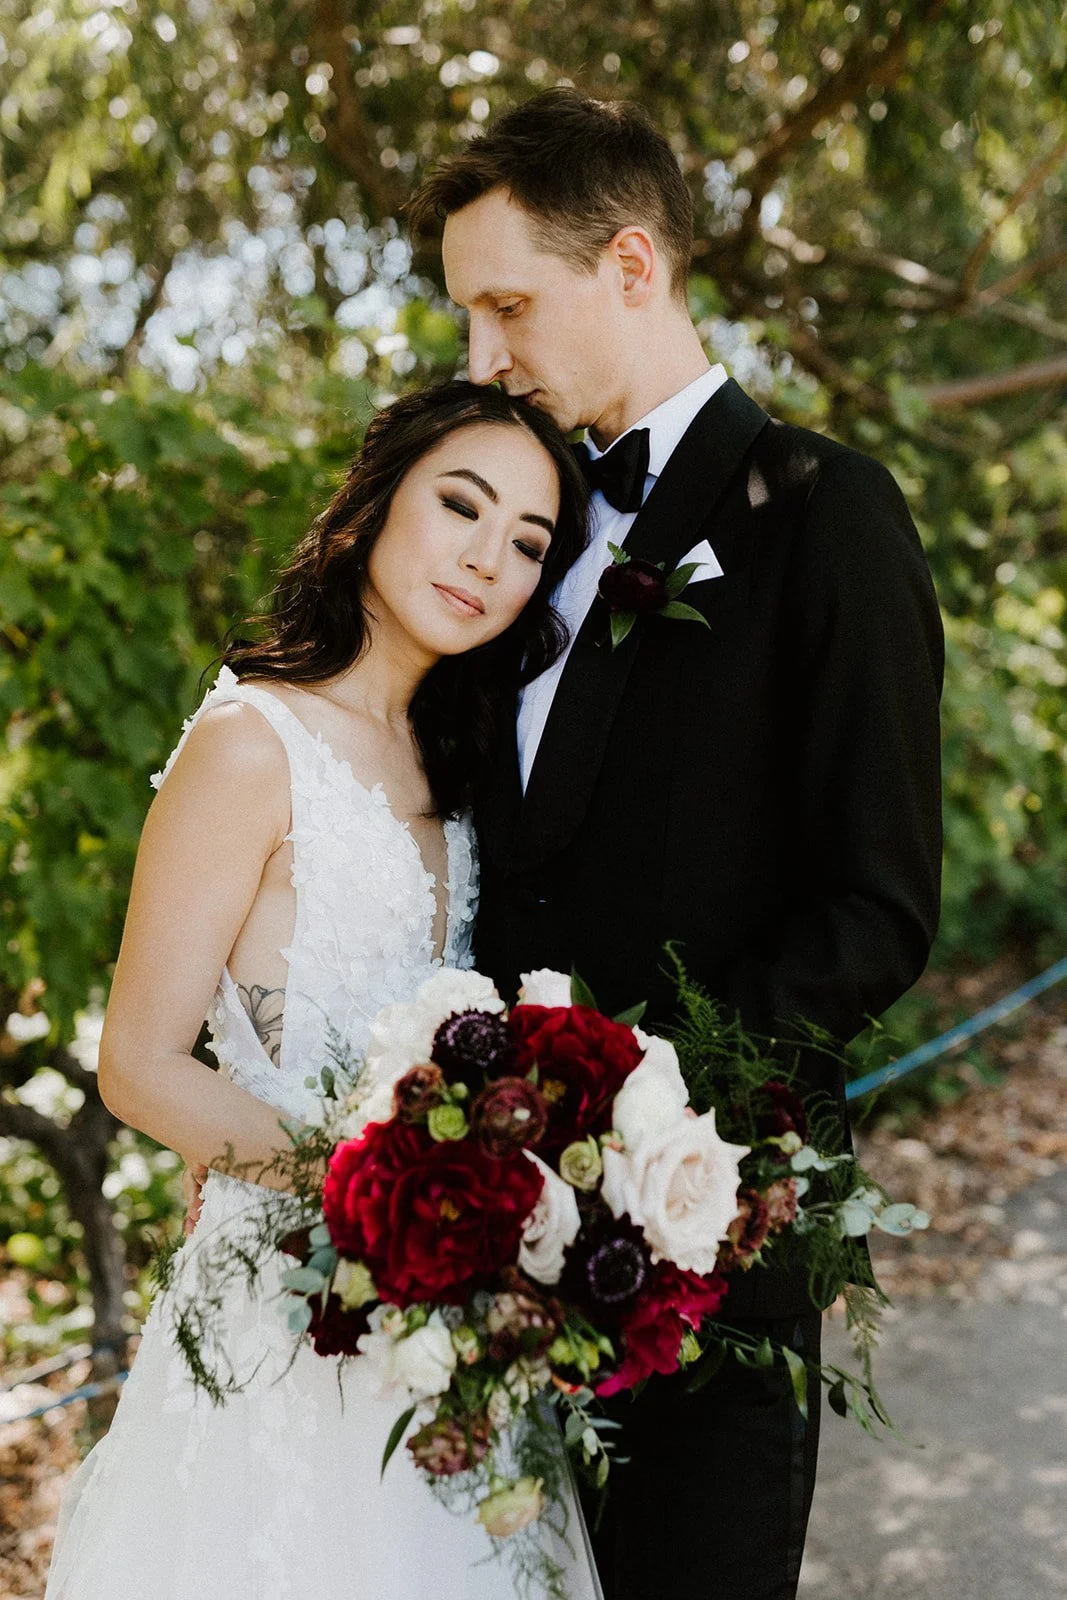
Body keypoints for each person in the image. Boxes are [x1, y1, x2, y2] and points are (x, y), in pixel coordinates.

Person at [404, 89, 944, 1600]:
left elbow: (875, 905)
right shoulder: (516, 529)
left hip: (705, 1242)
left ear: (631, 266)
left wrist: (635, 1131)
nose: (481, 358)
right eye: (464, 317)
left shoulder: (826, 512)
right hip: (480, 1256)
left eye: (505, 304)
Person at [43, 380, 603, 1600]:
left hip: (446, 1329)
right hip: (274, 1314)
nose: (486, 558)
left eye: (526, 544)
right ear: (368, 508)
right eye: (460, 504)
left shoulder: (462, 777)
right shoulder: (250, 742)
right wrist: (383, 1192)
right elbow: (138, 1064)